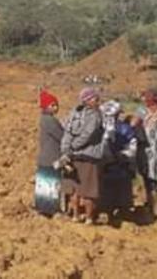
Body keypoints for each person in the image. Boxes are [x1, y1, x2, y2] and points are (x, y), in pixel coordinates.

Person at [60, 87, 106, 225]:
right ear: (88, 100)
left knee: (74, 188)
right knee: (89, 190)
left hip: (73, 156)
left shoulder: (75, 112)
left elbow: (67, 131)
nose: (98, 101)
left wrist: (67, 148)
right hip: (89, 156)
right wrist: (75, 146)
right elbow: (88, 135)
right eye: (95, 99)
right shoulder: (95, 115)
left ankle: (75, 216)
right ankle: (89, 218)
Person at [34, 90, 63, 216]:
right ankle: (49, 208)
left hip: (46, 157)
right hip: (51, 157)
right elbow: (61, 136)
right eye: (53, 105)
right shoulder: (50, 121)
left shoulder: (45, 119)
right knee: (51, 184)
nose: (56, 108)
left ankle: (42, 207)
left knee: (44, 184)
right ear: (46, 106)